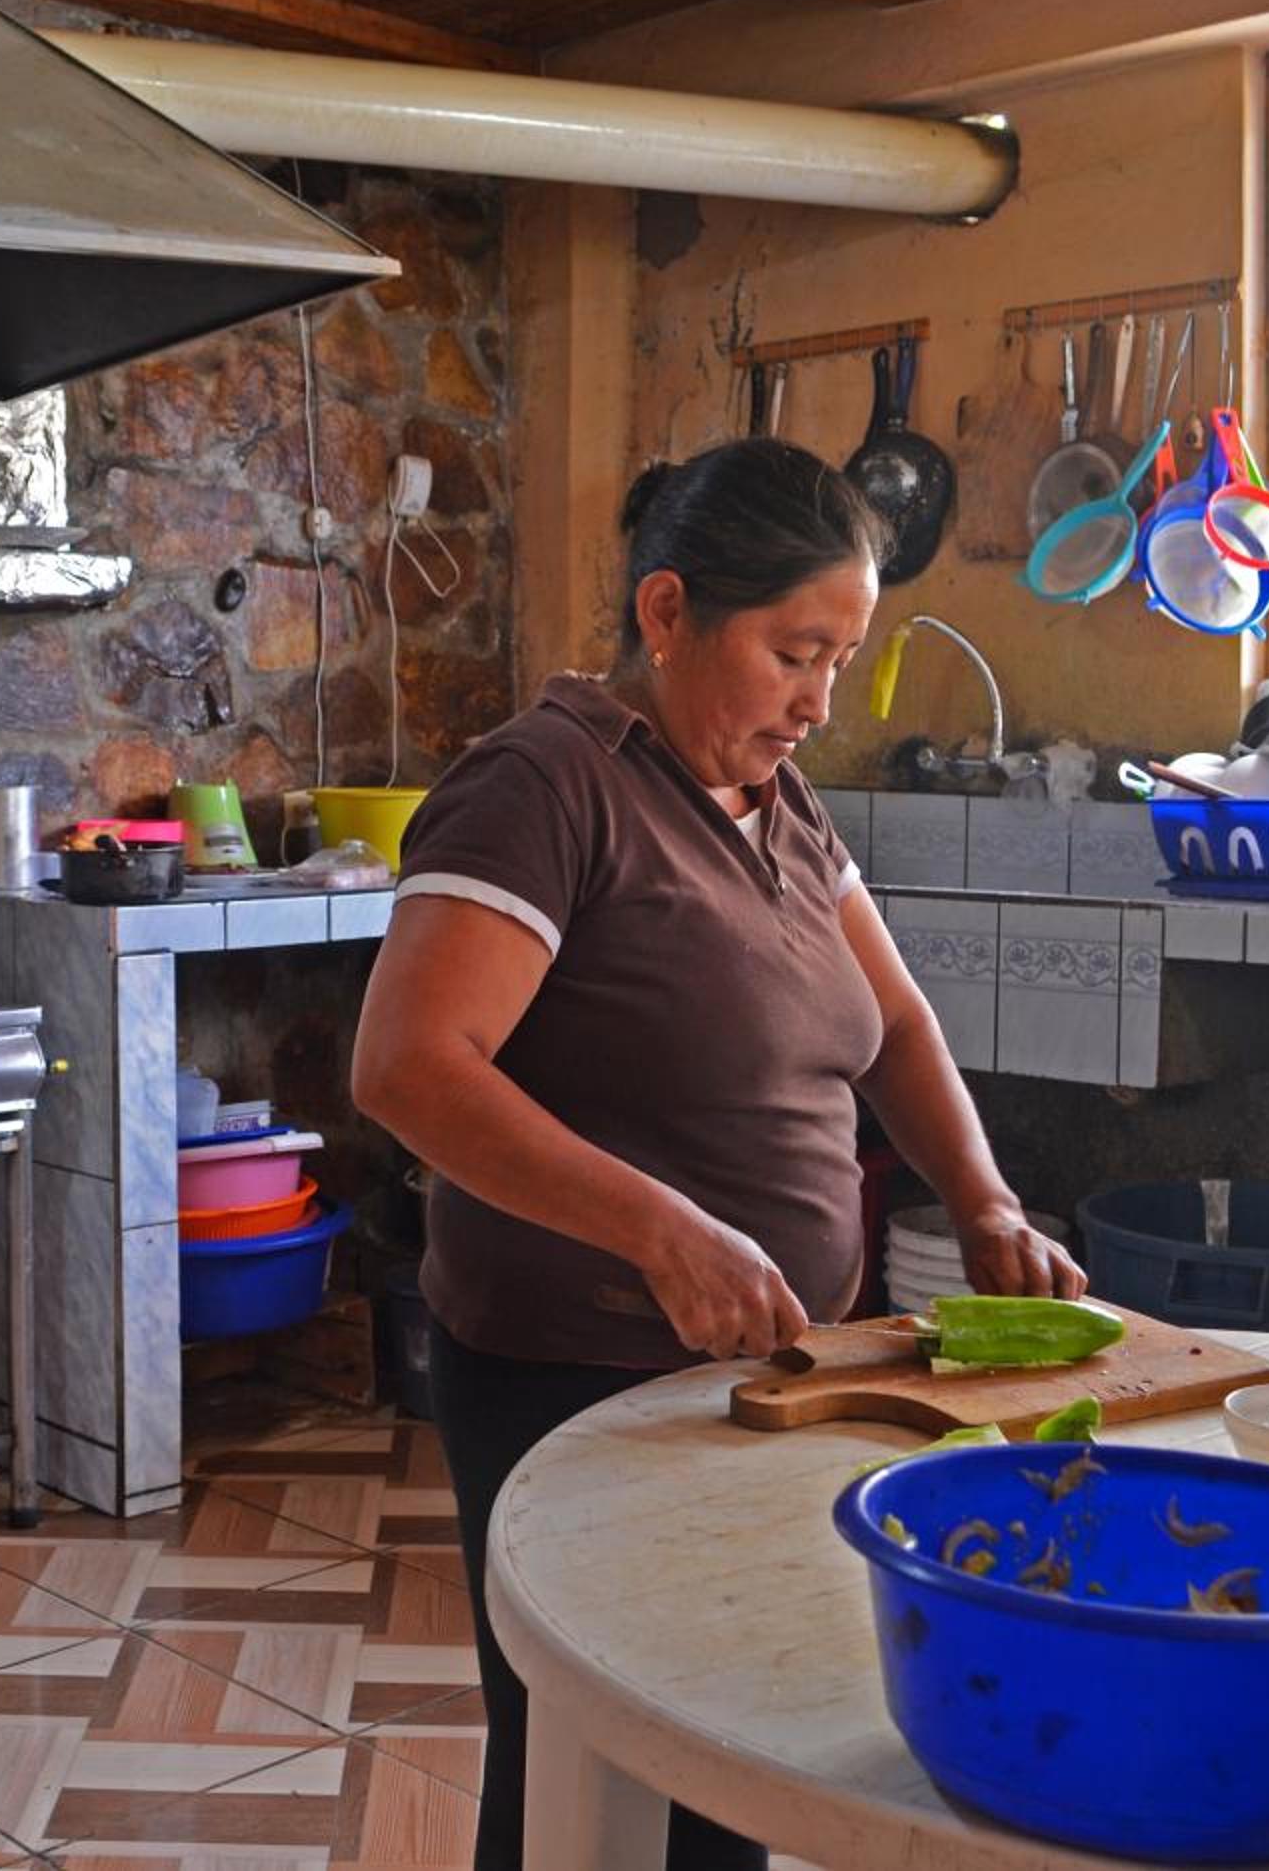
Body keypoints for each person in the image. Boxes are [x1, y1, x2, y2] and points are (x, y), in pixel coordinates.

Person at [350, 437, 1084, 1871]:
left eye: (841, 661)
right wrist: (660, 1230)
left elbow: (896, 1024)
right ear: (669, 612)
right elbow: (409, 1067)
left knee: (728, 1758)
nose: (821, 703)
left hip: (766, 1375)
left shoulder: (779, 801)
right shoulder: (546, 786)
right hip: (581, 1376)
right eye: (795, 654)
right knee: (588, 1769)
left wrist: (983, 1200)